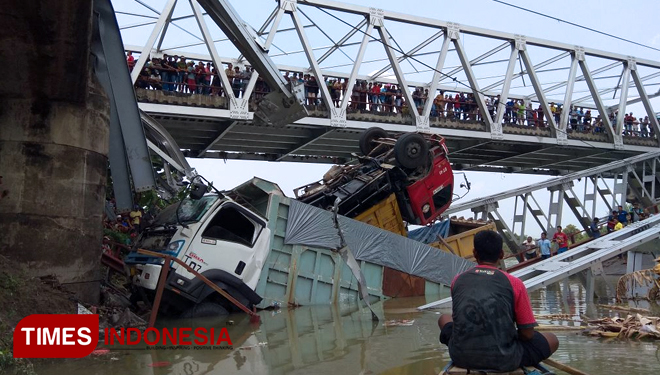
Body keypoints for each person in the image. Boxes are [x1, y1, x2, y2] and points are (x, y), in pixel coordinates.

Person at [438, 231, 558, 372]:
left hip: (461, 356)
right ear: (501, 254)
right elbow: (527, 334)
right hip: (504, 358)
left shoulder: (457, 280)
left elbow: (460, 319)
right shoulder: (515, 283)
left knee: (443, 318)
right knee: (552, 339)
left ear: (475, 253)